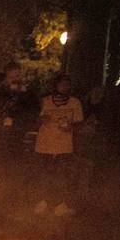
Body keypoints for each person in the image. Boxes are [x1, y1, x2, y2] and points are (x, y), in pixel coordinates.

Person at [34, 72, 84, 217]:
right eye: (61, 84)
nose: (64, 87)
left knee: (62, 176)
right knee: (45, 175)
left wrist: (70, 128)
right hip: (45, 144)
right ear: (55, 86)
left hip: (64, 145)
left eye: (67, 85)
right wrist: (42, 120)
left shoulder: (75, 103)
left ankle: (60, 203)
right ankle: (43, 201)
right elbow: (35, 121)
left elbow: (79, 124)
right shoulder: (45, 101)